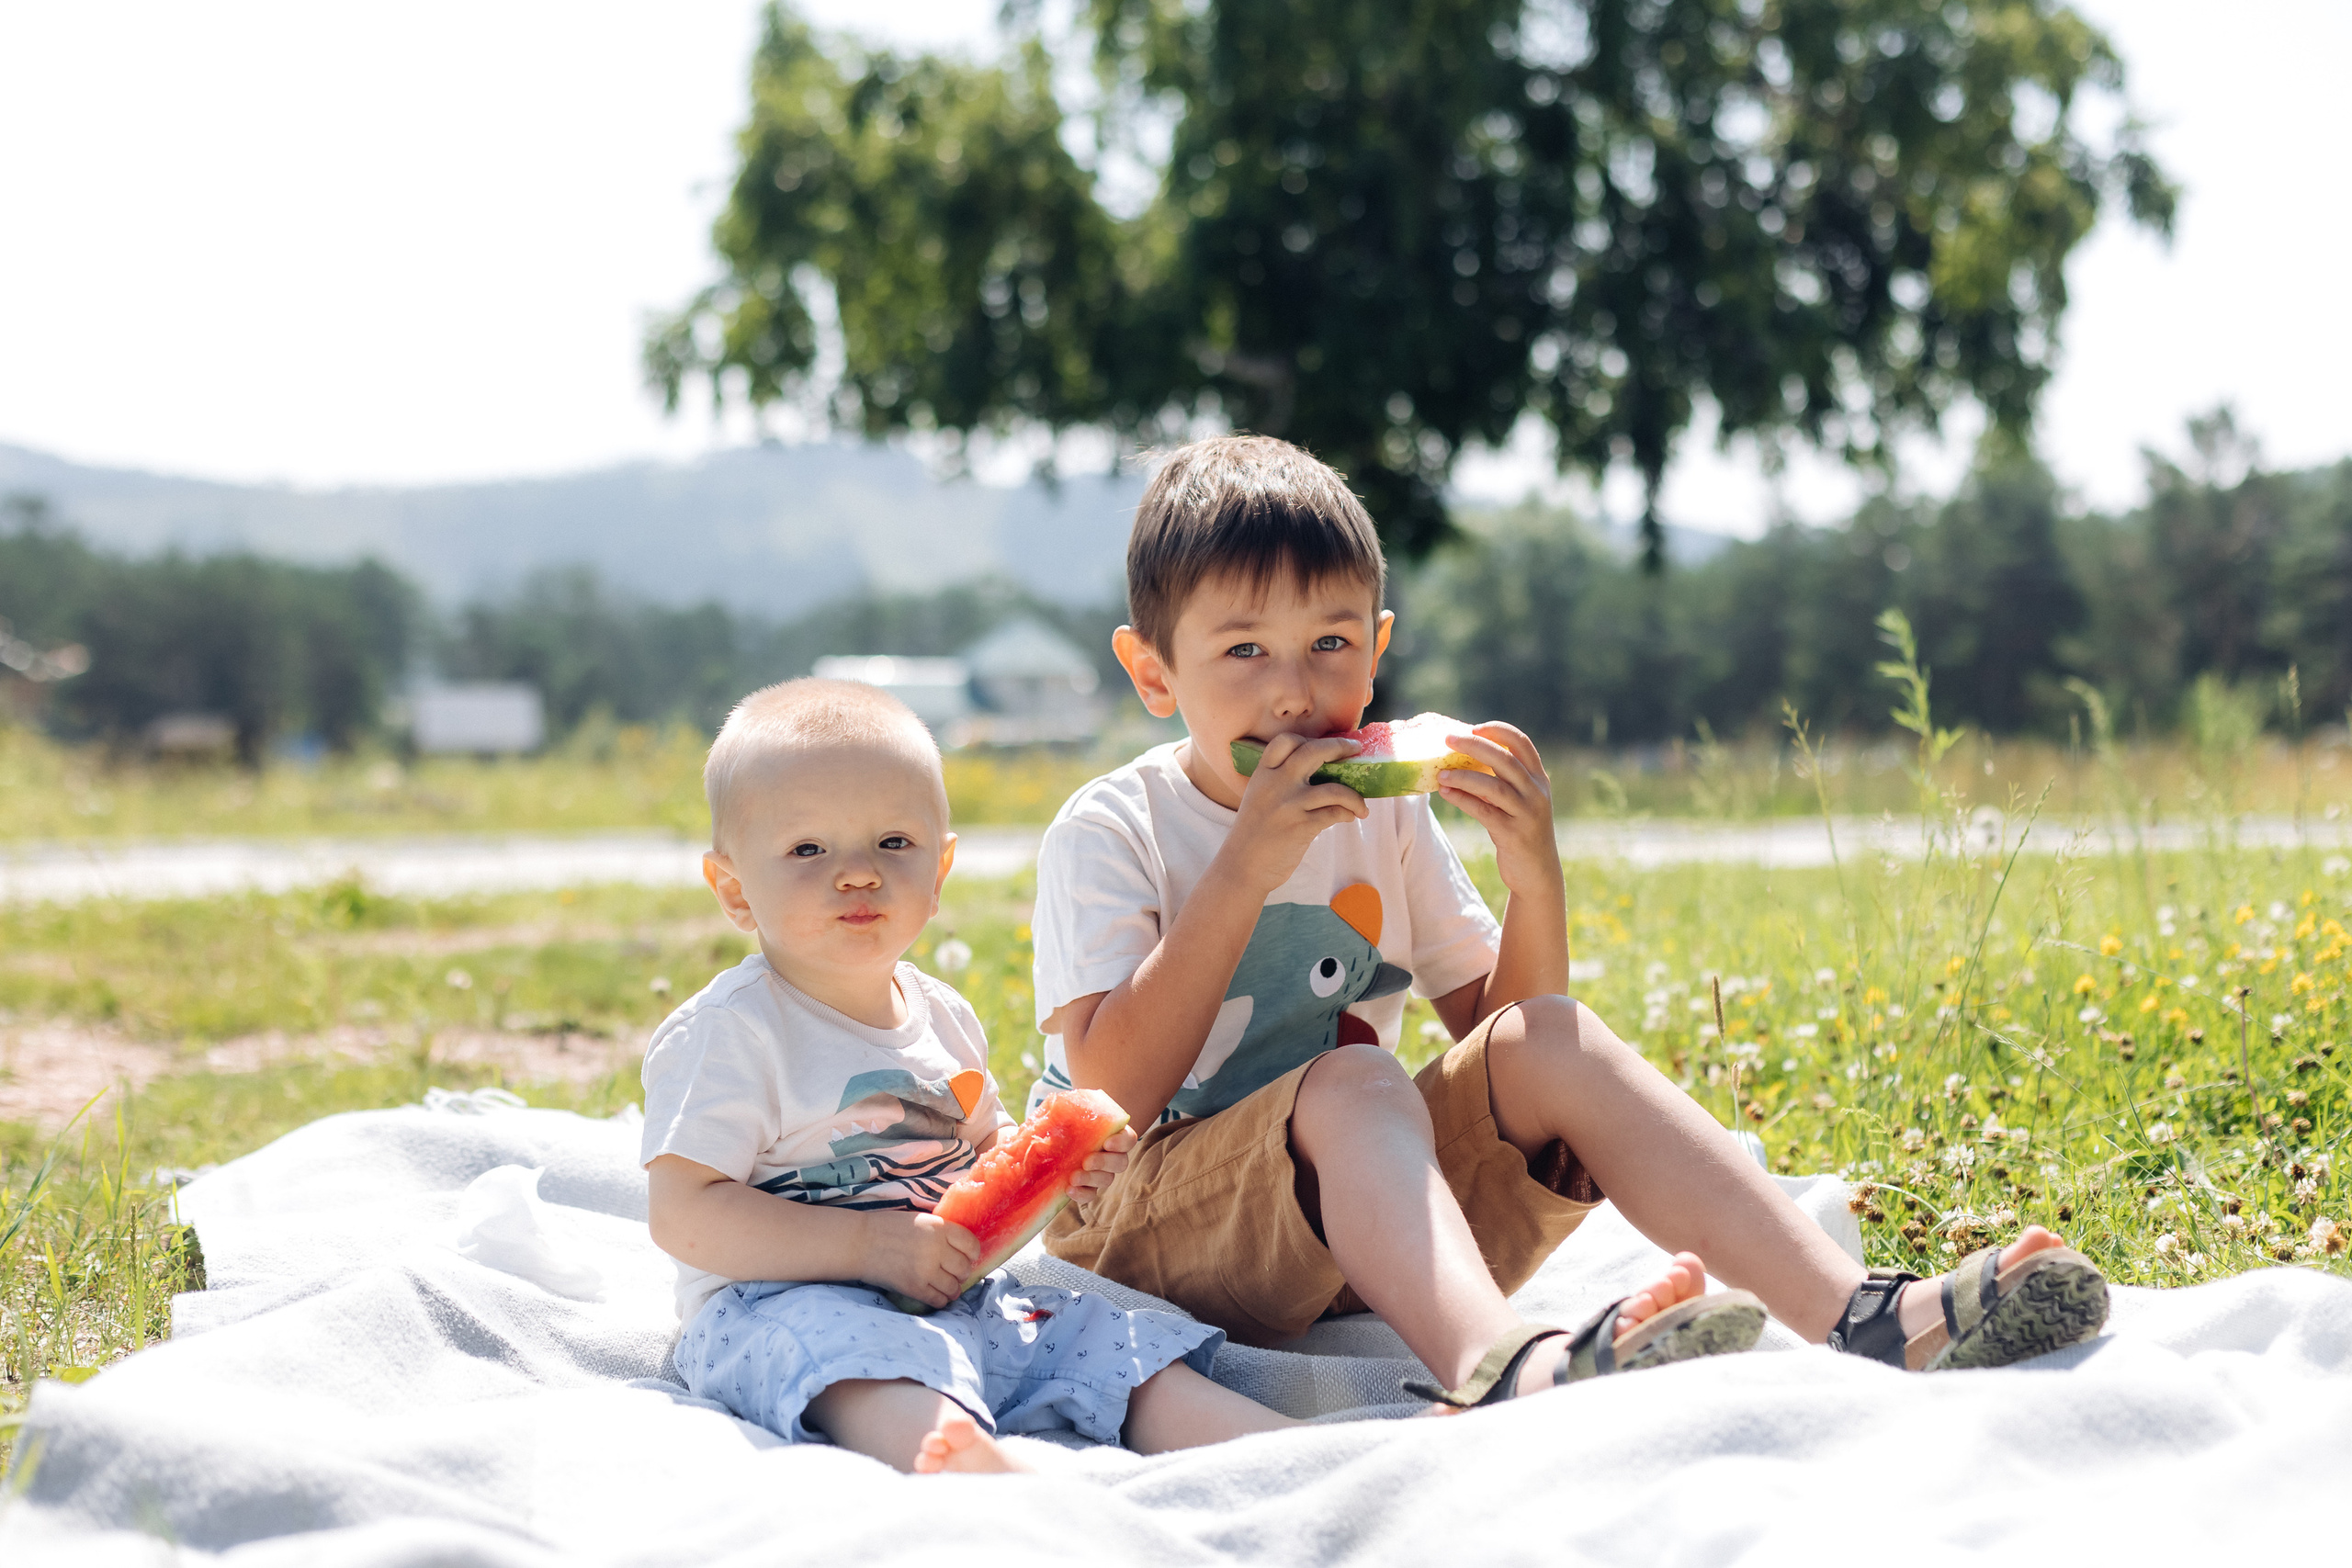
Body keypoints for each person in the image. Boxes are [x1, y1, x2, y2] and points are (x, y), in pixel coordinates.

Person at [1028, 434, 2110, 1408]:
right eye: (1243, 652)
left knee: (1555, 1036)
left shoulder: (1386, 815)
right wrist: (1241, 875)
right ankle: (1499, 1367)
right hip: (1141, 1234)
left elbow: (1504, 1044)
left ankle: (1860, 1313)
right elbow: (1106, 1095)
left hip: (1343, 1239)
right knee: (1357, 1079)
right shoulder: (1112, 828)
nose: (1294, 694)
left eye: (1331, 644)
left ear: (1379, 645)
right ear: (1153, 672)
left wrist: (1531, 876)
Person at [640, 679, 1301, 1473]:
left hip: (957, 1296)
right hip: (778, 1303)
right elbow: (683, 1212)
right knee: (857, 1358)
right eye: (809, 849)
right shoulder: (732, 1030)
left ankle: (1291, 1452)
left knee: (1104, 1338)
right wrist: (865, 1245)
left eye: (894, 842)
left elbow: (987, 1162)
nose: (859, 873)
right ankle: (957, 1461)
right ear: (733, 889)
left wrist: (1063, 1174)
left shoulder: (946, 1016)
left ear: (941, 868)